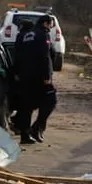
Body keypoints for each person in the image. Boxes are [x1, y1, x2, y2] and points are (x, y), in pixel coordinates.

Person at [11, 15, 57, 144]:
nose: (51, 27)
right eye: (51, 24)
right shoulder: (43, 35)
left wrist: (17, 72)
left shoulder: (25, 35)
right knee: (50, 101)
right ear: (45, 23)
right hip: (39, 77)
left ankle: (25, 135)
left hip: (25, 76)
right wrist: (47, 76)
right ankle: (36, 128)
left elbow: (17, 54)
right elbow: (45, 56)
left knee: (27, 106)